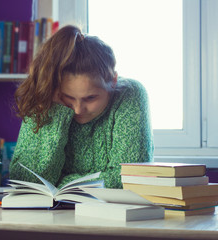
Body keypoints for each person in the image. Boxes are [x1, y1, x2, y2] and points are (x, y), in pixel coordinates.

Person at [9, 25, 154, 189]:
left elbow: (129, 180)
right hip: (51, 214)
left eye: (90, 98)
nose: (78, 110)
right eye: (68, 97)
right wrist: (57, 109)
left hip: (113, 213)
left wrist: (58, 183)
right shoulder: (45, 96)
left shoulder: (130, 94)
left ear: (113, 81)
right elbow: (25, 183)